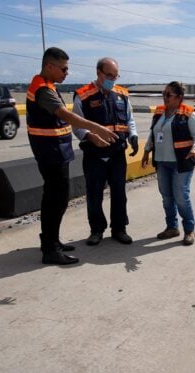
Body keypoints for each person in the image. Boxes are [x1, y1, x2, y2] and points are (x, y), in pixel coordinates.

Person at [26, 47, 118, 265]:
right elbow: (67, 116)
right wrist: (97, 129)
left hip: (55, 150)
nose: (66, 73)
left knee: (56, 199)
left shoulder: (47, 85)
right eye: (63, 69)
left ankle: (52, 240)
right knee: (55, 201)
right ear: (49, 66)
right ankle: (50, 249)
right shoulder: (43, 90)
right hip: (50, 152)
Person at [73, 58, 138, 246]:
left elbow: (129, 119)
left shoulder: (122, 94)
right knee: (94, 193)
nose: (112, 79)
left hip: (117, 153)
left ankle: (119, 228)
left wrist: (132, 136)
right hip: (94, 154)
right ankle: (96, 230)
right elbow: (76, 125)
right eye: (109, 75)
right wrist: (90, 136)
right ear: (98, 73)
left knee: (119, 193)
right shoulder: (83, 95)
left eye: (115, 75)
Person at [142, 81, 195, 246]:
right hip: (162, 162)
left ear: (179, 97)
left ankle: (189, 230)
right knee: (167, 197)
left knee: (181, 196)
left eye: (169, 94)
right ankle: (171, 227)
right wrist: (147, 150)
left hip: (181, 162)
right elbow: (153, 133)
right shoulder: (159, 112)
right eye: (163, 94)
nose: (165, 97)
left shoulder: (189, 114)